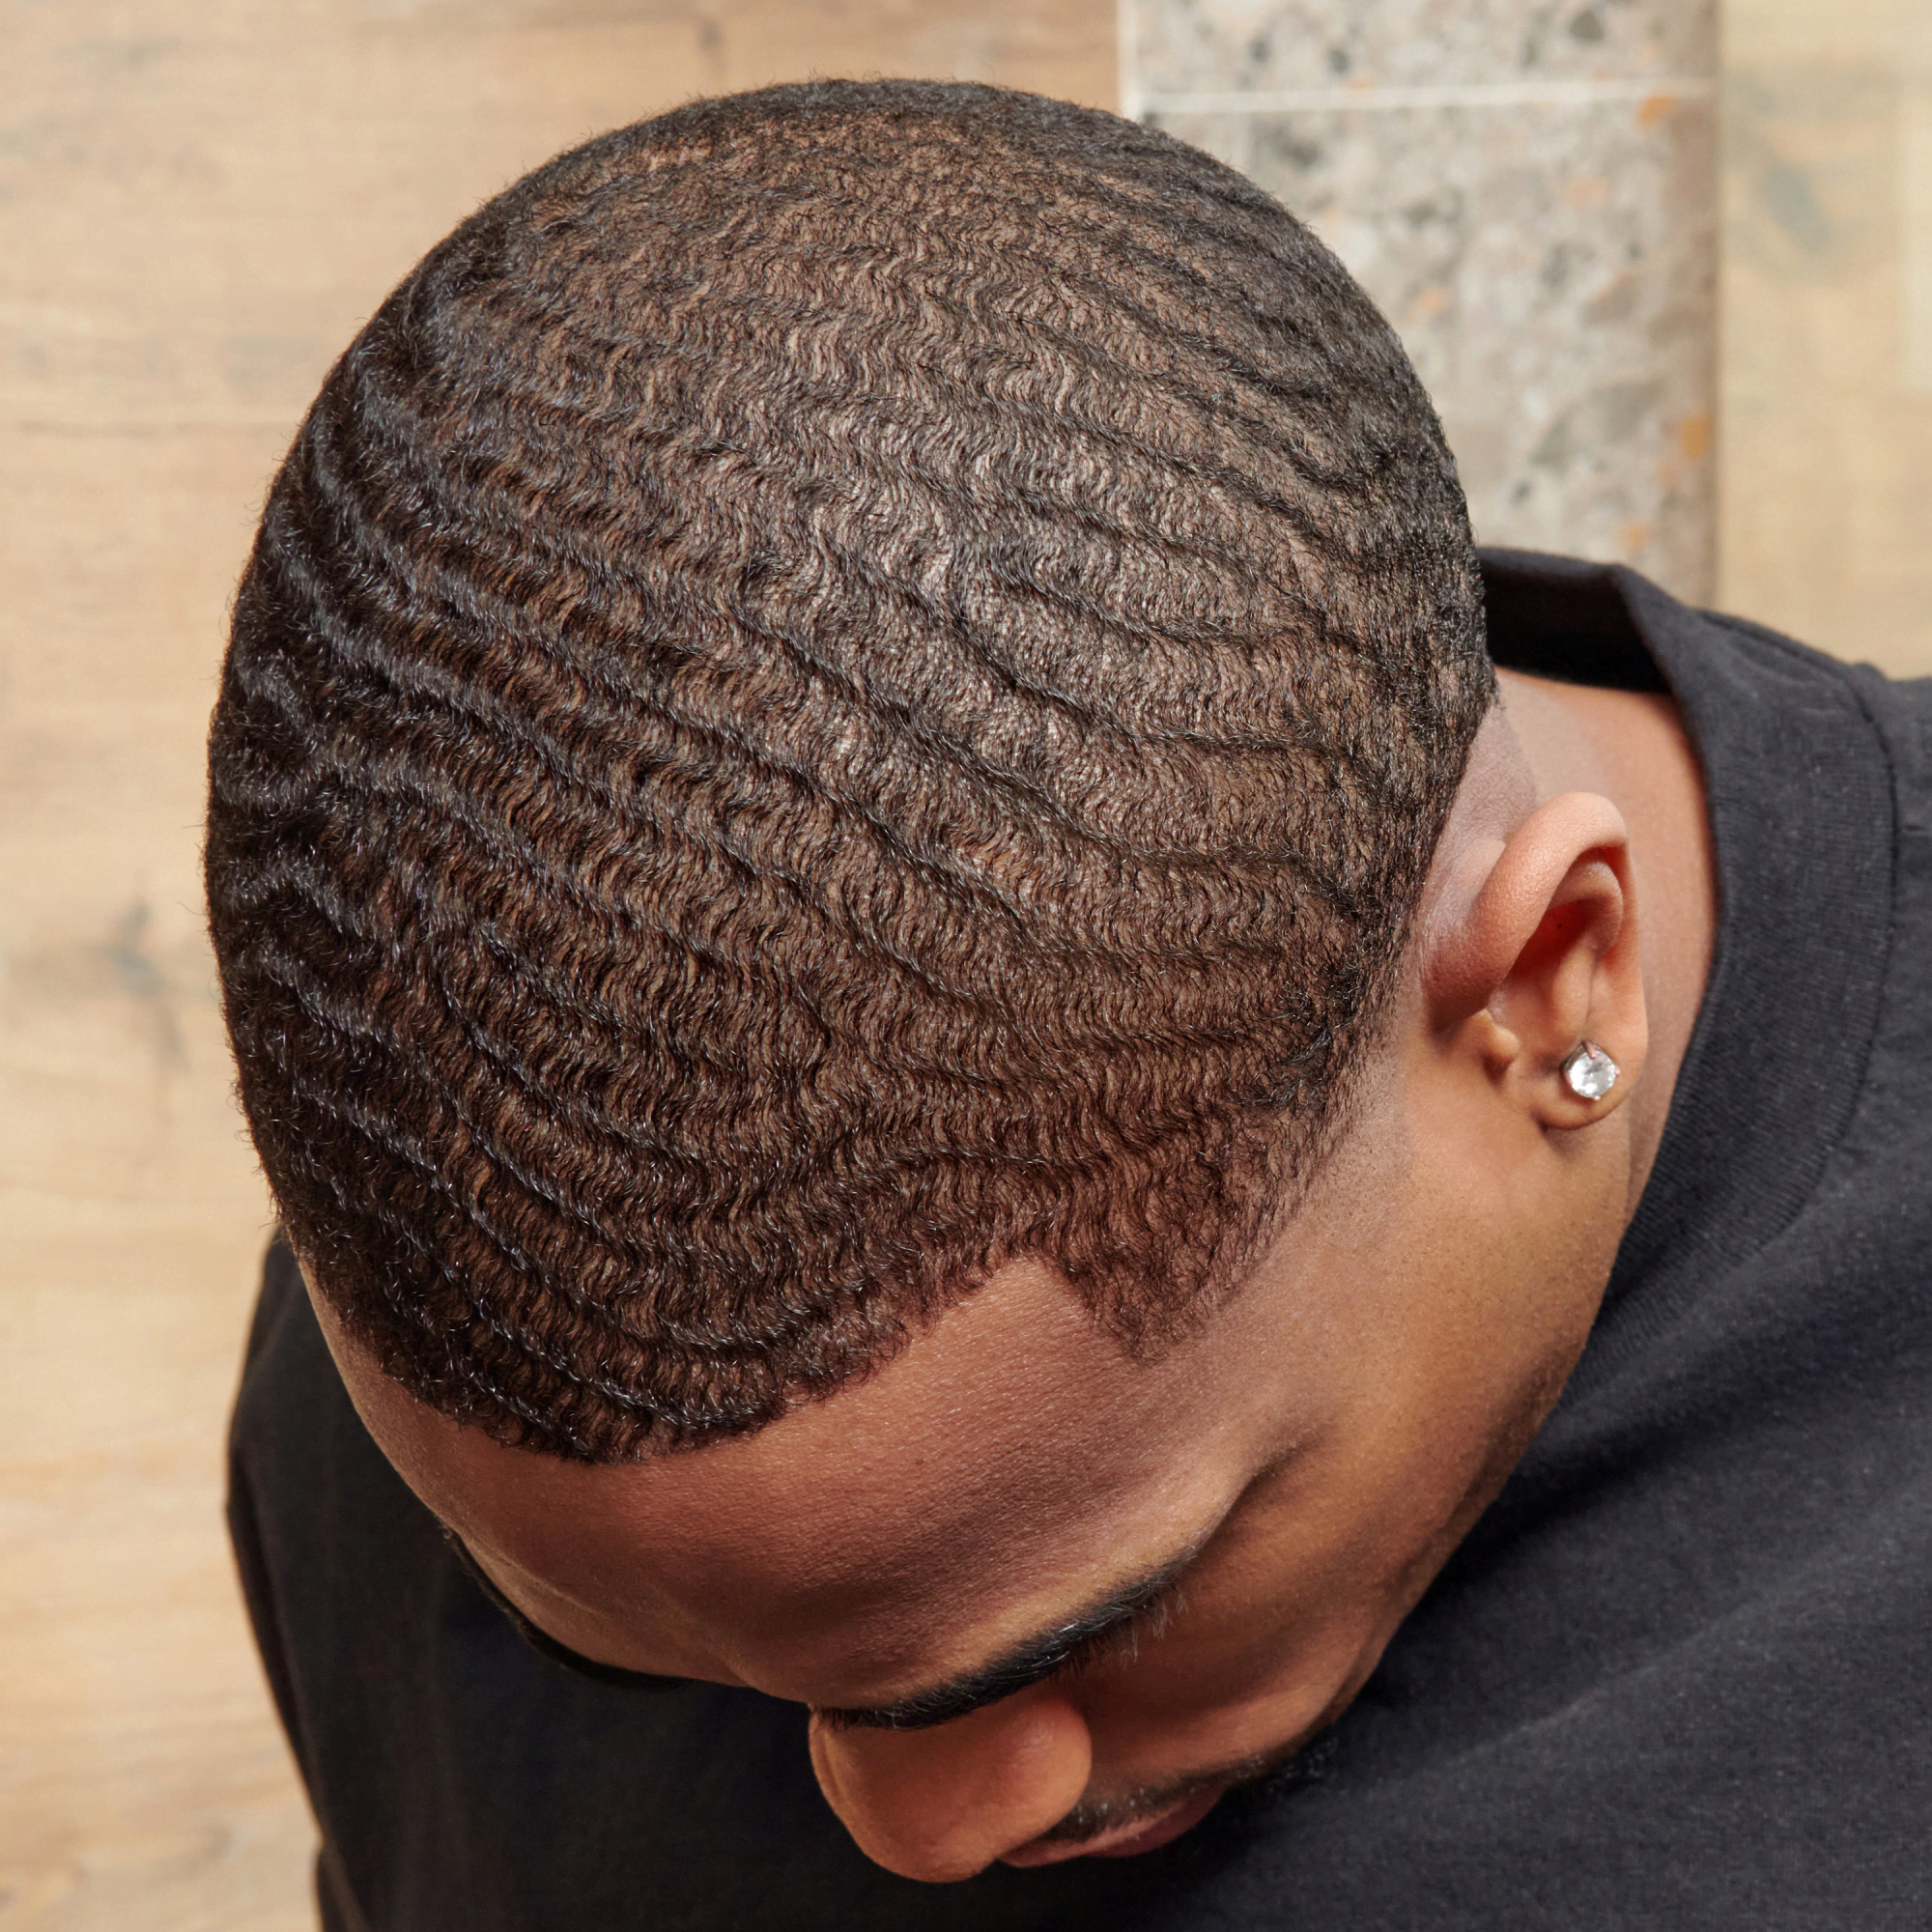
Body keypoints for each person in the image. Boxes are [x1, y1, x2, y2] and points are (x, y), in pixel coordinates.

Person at [206, 79, 1932, 1932]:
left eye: (1095, 1628)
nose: (922, 1829)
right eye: (608, 1658)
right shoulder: (419, 1304)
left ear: (1545, 983)